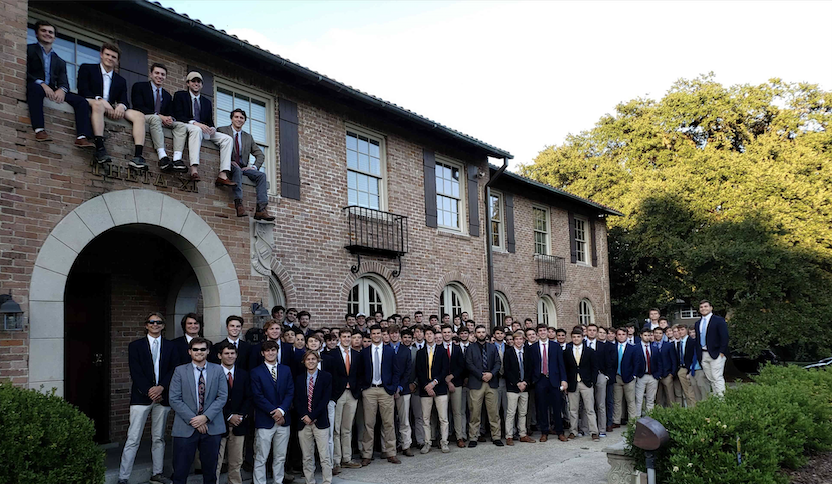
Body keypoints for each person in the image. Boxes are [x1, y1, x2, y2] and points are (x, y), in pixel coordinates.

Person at [118, 313, 175, 484]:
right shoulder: (135, 346)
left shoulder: (171, 347)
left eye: (159, 322)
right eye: (152, 322)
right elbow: (135, 371)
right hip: (141, 397)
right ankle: (123, 476)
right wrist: (149, 390)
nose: (155, 324)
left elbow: (173, 369)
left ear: (163, 326)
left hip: (162, 397)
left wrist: (161, 388)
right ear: (146, 325)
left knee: (159, 438)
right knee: (133, 438)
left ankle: (157, 474)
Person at [169, 337, 228, 484]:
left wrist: (205, 417)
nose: (199, 352)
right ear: (189, 352)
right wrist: (195, 419)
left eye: (202, 349)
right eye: (195, 349)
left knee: (210, 472)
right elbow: (174, 398)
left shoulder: (218, 369)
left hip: (212, 427)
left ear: (208, 351)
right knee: (180, 471)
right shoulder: (180, 371)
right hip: (185, 426)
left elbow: (222, 396)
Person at [77, 42, 147, 167]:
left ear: (117, 61)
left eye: (113, 57)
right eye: (107, 55)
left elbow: (124, 100)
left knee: (139, 116)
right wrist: (100, 99)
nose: (110, 58)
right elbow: (83, 90)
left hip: (110, 107)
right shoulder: (87, 68)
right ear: (101, 55)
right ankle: (100, 148)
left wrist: (121, 106)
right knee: (98, 105)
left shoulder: (120, 80)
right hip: (89, 101)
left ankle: (138, 156)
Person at [26, 20, 93, 147]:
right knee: (35, 89)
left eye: (50, 32)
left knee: (81, 101)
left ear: (54, 37)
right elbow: (24, 71)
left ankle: (81, 137)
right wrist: (41, 83)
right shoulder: (28, 50)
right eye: (44, 31)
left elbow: (64, 82)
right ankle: (39, 130)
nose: (47, 34)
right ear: (36, 33)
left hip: (52, 89)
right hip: (35, 86)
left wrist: (62, 89)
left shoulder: (59, 60)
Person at [172, 71, 234, 185]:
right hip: (186, 125)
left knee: (228, 139)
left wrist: (212, 128)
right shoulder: (180, 95)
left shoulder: (206, 102)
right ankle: (194, 170)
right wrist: (195, 123)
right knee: (196, 129)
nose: (196, 84)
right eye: (193, 81)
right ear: (188, 83)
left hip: (202, 130)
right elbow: (178, 115)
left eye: (199, 82)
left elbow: (209, 121)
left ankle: (223, 174)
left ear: (201, 85)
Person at [216, 108, 274, 220]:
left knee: (261, 175)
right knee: (236, 170)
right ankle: (239, 204)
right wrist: (228, 160)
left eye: (241, 118)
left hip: (243, 167)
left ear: (244, 121)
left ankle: (261, 209)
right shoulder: (222, 130)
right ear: (231, 119)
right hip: (229, 164)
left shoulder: (248, 137)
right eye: (236, 117)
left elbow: (260, 155)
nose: (239, 119)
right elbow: (216, 147)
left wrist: (253, 167)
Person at [250, 340, 294, 484]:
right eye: (268, 351)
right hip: (265, 420)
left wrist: (281, 410)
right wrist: (273, 412)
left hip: (283, 419)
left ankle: (278, 481)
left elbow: (290, 392)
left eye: (273, 350)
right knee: (261, 456)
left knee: (280, 456)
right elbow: (257, 396)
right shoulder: (256, 372)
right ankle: (259, 482)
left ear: (277, 352)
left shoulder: (286, 370)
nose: (271, 353)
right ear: (263, 353)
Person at [358, 324, 401, 465]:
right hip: (369, 390)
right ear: (370, 335)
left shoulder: (389, 351)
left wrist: (393, 388)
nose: (376, 335)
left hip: (385, 390)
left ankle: (391, 453)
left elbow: (396, 371)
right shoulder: (364, 352)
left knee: (388, 423)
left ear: (382, 335)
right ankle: (367, 454)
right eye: (374, 333)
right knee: (368, 423)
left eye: (378, 333)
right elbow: (360, 371)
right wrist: (363, 388)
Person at [130, 62, 186, 170]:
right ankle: (162, 156)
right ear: (151, 74)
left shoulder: (167, 95)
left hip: (160, 121)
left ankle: (177, 159)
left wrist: (170, 118)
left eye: (162, 74)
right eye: (157, 73)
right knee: (155, 118)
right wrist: (159, 116)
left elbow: (170, 113)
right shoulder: (139, 87)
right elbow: (138, 106)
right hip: (144, 117)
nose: (159, 76)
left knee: (181, 126)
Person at [214, 341, 250, 484]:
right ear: (219, 355)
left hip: (239, 424)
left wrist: (240, 416)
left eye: (232, 353)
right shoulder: (213, 373)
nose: (230, 356)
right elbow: (212, 398)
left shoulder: (244, 374)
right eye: (226, 353)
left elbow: (249, 397)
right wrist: (228, 415)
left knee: (236, 461)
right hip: (218, 422)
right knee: (216, 460)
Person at [295, 351, 333, 484]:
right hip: (303, 422)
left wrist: (313, 415)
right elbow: (297, 400)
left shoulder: (326, 377)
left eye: (313, 359)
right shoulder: (299, 378)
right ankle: (309, 481)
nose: (311, 361)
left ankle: (327, 481)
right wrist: (304, 416)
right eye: (308, 359)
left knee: (324, 455)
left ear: (318, 361)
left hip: (320, 420)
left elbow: (325, 399)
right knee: (307, 456)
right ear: (304, 362)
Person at [526, 324, 568, 442]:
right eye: (540, 331)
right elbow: (530, 365)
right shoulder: (532, 348)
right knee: (542, 407)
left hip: (554, 379)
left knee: (557, 406)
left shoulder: (556, 346)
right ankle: (544, 432)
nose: (543, 332)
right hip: (540, 380)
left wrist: (563, 380)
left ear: (548, 332)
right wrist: (533, 380)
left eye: (545, 330)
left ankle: (560, 432)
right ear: (537, 333)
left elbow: (561, 365)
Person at [464, 324, 503, 447]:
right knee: (474, 412)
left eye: (483, 332)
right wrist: (481, 375)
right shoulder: (470, 348)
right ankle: (473, 437)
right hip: (476, 383)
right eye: (478, 332)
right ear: (475, 334)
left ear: (486, 333)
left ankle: (496, 436)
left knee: (493, 412)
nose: (481, 334)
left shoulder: (492, 347)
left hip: (491, 383)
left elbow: (498, 363)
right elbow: (469, 364)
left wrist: (491, 374)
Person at [330, 328, 362, 472]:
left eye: (349, 336)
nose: (347, 339)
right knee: (336, 429)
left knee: (347, 428)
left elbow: (361, 373)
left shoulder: (356, 354)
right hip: (338, 394)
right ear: (339, 338)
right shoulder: (332, 354)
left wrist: (358, 388)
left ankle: (347, 458)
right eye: (344, 337)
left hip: (352, 394)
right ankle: (336, 460)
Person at [415, 327, 450, 453]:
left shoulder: (442, 351)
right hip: (425, 389)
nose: (429, 336)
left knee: (443, 418)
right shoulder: (420, 353)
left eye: (431, 334)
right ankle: (427, 442)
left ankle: (444, 442)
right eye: (427, 334)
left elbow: (444, 370)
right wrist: (427, 386)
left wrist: (434, 383)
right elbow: (419, 371)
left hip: (439, 388)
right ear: (424, 336)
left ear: (434, 336)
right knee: (426, 418)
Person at [564, 328, 599, 441]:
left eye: (578, 337)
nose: (576, 339)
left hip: (586, 383)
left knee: (590, 409)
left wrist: (592, 381)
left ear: (582, 337)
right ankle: (573, 431)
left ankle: (594, 432)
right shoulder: (567, 351)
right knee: (573, 409)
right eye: (574, 337)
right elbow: (565, 368)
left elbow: (594, 368)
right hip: (573, 383)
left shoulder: (590, 351)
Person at [504, 330, 534, 445]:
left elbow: (530, 369)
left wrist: (525, 382)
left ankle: (523, 434)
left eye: (521, 339)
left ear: (524, 340)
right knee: (511, 412)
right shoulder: (509, 352)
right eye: (516, 339)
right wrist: (517, 383)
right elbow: (507, 370)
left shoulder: (527, 352)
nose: (518, 341)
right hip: (513, 387)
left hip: (525, 387)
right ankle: (509, 435)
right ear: (513, 341)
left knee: (523, 413)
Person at [694, 300, 729, 396]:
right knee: (711, 378)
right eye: (701, 307)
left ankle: (721, 401)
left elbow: (724, 337)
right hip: (703, 354)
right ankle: (716, 399)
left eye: (706, 306)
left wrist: (722, 352)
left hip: (716, 353)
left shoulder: (718, 320)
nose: (703, 308)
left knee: (717, 377)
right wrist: (699, 355)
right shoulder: (698, 323)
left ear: (711, 308)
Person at [584, 324, 611, 437]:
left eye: (594, 330)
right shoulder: (582, 344)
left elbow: (609, 362)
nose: (591, 332)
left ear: (597, 333)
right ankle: (585, 429)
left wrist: (606, 376)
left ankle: (602, 429)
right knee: (587, 404)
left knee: (601, 404)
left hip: (600, 375)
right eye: (589, 330)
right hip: (587, 376)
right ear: (586, 332)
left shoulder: (603, 346)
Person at [612, 328, 638, 427]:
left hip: (629, 377)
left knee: (630, 400)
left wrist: (634, 375)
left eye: (623, 334)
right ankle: (616, 420)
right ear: (616, 336)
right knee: (617, 400)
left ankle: (632, 421)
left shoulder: (632, 348)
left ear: (627, 335)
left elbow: (637, 362)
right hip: (617, 377)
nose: (621, 336)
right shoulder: (613, 347)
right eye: (619, 334)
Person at [633, 328, 662, 418]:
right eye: (645, 335)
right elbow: (633, 362)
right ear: (641, 336)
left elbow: (659, 362)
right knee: (639, 399)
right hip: (641, 376)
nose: (647, 337)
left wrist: (657, 375)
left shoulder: (654, 348)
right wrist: (635, 374)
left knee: (650, 399)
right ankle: (636, 419)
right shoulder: (635, 348)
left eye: (649, 335)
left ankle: (649, 419)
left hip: (652, 376)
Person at [674, 324, 698, 406]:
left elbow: (693, 357)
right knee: (685, 392)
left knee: (690, 392)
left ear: (686, 330)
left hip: (689, 369)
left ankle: (693, 409)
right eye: (679, 330)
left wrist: (690, 370)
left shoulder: (691, 341)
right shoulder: (680, 343)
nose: (680, 332)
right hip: (681, 368)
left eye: (682, 329)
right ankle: (689, 408)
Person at [654, 327, 677, 408]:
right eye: (656, 333)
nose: (658, 335)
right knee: (658, 398)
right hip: (655, 375)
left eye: (660, 333)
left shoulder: (669, 345)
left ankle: (672, 415)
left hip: (667, 374)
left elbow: (673, 360)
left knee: (670, 397)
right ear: (653, 334)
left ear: (663, 335)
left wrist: (672, 373)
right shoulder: (651, 345)